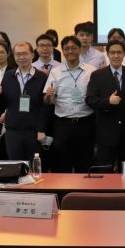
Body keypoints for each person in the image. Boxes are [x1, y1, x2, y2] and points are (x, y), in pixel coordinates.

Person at [85, 40, 125, 172]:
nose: (116, 56)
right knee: (105, 171)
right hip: (106, 131)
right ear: (107, 54)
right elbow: (90, 100)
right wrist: (107, 101)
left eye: (119, 52)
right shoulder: (97, 75)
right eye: (112, 53)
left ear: (124, 54)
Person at [44, 36, 97, 173]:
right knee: (62, 163)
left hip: (86, 123)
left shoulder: (91, 71)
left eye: (73, 48)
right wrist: (48, 95)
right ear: (62, 51)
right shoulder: (55, 72)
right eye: (66, 49)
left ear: (80, 49)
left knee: (85, 162)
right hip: (63, 124)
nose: (70, 51)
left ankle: (85, 187)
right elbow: (47, 101)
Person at [0, 42, 50, 162]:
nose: (21, 57)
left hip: (34, 131)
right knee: (15, 166)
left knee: (34, 167)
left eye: (24, 54)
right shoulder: (8, 76)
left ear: (32, 55)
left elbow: (45, 107)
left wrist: (41, 129)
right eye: (18, 54)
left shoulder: (42, 77)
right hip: (13, 131)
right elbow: (3, 103)